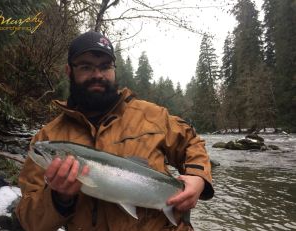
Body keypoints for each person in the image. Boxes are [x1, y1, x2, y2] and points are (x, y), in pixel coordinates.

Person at [15, 31, 214, 231]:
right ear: (69, 71)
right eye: (86, 67)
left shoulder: (153, 115)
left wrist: (198, 178)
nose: (98, 75)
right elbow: (29, 222)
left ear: (114, 69)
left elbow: (191, 142)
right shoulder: (47, 137)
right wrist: (60, 198)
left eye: (105, 67)